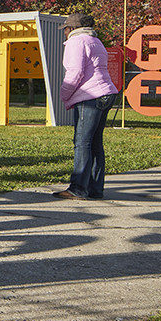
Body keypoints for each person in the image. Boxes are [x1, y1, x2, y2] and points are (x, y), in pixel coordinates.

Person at [57, 12, 119, 200]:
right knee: (95, 143)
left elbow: (75, 72)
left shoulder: (76, 42)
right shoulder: (96, 41)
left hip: (90, 96)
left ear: (72, 29)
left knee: (82, 142)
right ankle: (95, 189)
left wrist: (64, 95)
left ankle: (78, 188)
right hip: (107, 93)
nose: (65, 33)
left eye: (66, 29)